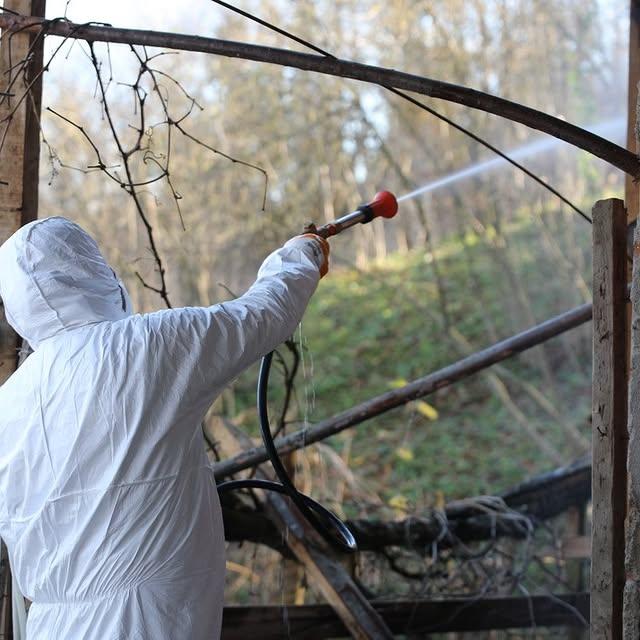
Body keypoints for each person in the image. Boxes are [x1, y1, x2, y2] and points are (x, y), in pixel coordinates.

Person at [0, 216, 329, 639]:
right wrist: (302, 253)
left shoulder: (9, 401)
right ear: (94, 270)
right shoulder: (142, 347)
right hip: (143, 622)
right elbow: (261, 314)